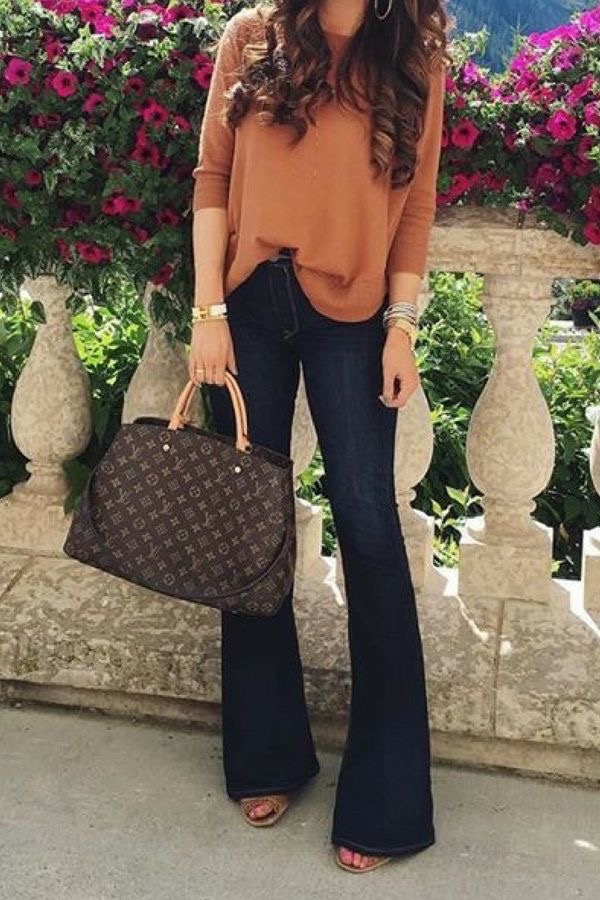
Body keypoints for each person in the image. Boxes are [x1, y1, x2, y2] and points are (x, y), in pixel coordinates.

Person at [188, 0, 449, 875]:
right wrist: (209, 313)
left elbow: (415, 207)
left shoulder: (412, 55)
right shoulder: (251, 36)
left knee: (368, 526)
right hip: (250, 305)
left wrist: (402, 329)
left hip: (355, 317)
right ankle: (266, 754)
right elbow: (213, 178)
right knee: (252, 527)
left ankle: (387, 798)